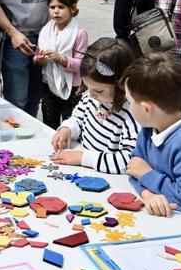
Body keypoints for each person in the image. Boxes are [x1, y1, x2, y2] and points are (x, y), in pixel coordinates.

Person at [121, 53, 181, 224]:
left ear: (147, 109)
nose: (128, 106)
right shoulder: (149, 129)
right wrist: (148, 194)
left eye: (129, 101)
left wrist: (148, 175)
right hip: (159, 222)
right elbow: (134, 169)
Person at [51, 37, 140, 174]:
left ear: (121, 84)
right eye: (87, 87)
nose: (91, 95)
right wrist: (67, 129)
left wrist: (83, 158)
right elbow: (78, 118)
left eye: (99, 90)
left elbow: (129, 161)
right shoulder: (92, 98)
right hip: (85, 172)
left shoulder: (132, 114)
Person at [36, 0, 88, 129]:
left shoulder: (79, 34)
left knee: (70, 125)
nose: (56, 11)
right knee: (49, 124)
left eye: (61, 7)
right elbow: (36, 56)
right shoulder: (46, 31)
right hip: (49, 84)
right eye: (52, 7)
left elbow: (81, 65)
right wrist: (39, 60)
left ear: (72, 8)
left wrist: (61, 58)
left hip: (72, 87)